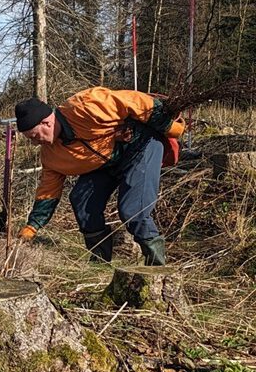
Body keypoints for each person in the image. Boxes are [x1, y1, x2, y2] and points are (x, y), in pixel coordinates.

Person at [15, 87, 185, 265]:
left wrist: (170, 127)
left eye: (34, 136)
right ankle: (99, 261)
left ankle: (156, 268)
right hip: (106, 164)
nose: (35, 143)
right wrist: (32, 226)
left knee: (134, 210)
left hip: (140, 146)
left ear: (47, 123)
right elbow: (48, 191)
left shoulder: (85, 106)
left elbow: (136, 102)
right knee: (82, 200)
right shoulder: (50, 154)